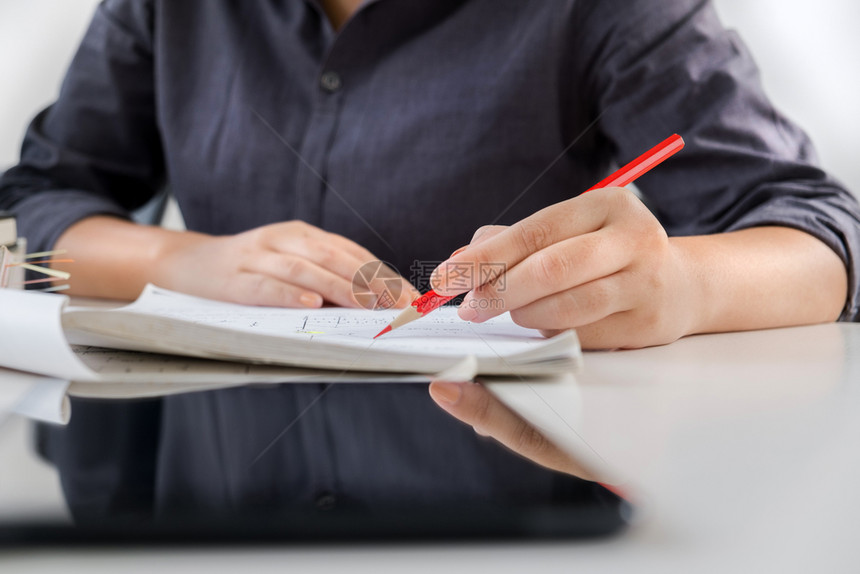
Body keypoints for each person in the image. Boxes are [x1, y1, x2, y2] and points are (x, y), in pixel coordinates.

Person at [2, 0, 859, 518]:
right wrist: (180, 260)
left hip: (515, 510)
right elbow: (33, 200)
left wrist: (684, 286)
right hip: (211, 500)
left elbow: (822, 230)